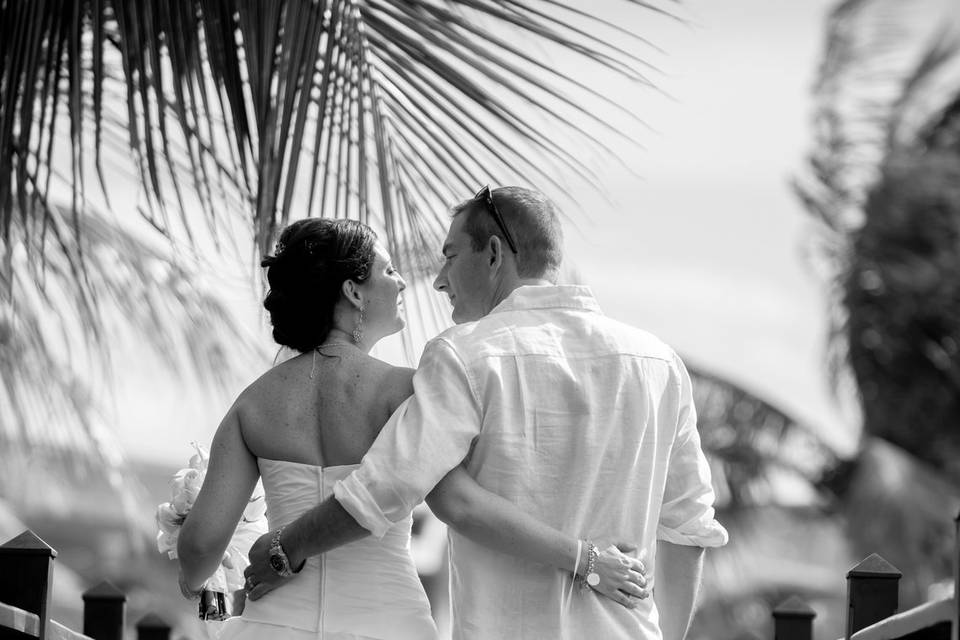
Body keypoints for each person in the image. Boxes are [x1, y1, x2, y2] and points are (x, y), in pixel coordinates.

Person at [243, 187, 729, 639]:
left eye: (451, 256)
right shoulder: (659, 363)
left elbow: (389, 486)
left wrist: (285, 549)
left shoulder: (463, 354)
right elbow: (689, 528)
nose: (437, 280)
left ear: (494, 254)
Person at [177, 218, 647, 640]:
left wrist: (206, 589)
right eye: (387, 271)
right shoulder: (406, 393)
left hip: (273, 626)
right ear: (353, 293)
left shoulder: (252, 405)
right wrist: (585, 558)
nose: (402, 281)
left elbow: (199, 549)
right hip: (389, 623)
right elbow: (460, 504)